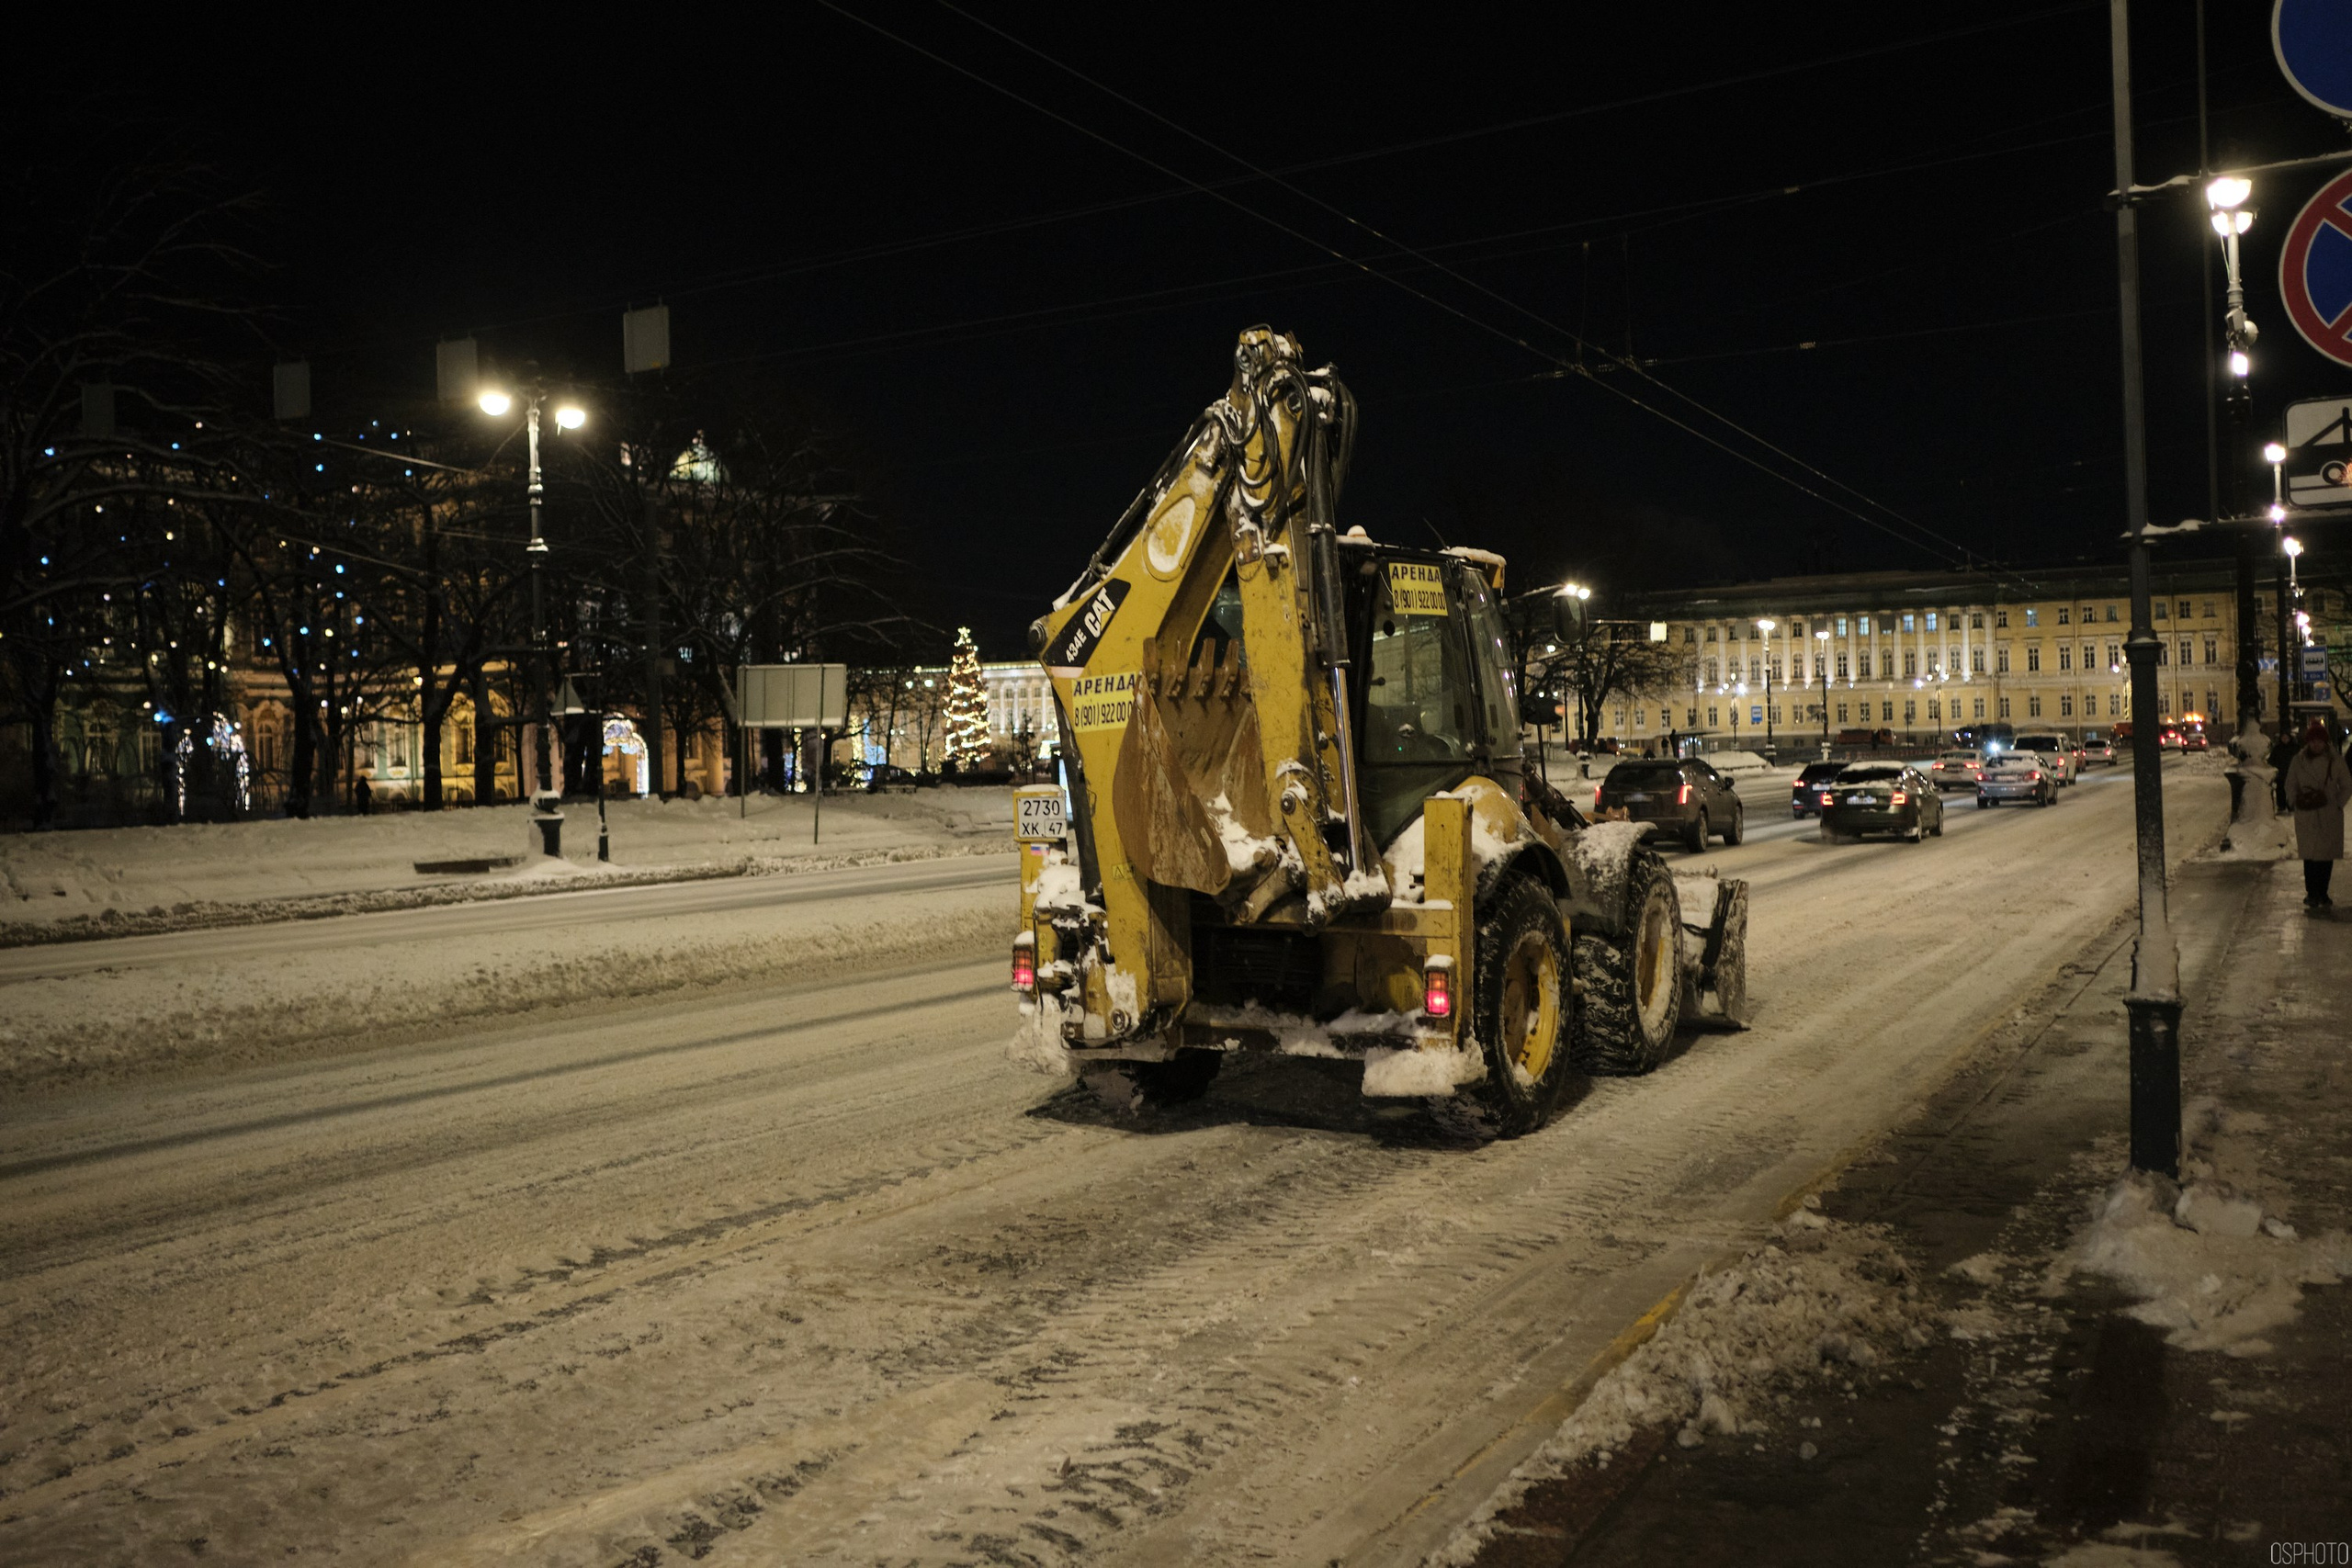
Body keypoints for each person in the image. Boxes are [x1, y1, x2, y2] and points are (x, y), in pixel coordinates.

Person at [2282, 717, 2352, 908]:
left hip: (2328, 813)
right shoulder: (2298, 761)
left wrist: (2337, 804)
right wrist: (2295, 802)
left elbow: (2347, 784)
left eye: (2319, 741)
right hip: (2307, 813)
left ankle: (2323, 892)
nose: (2316, 744)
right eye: (2312, 741)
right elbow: (2290, 784)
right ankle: (2312, 893)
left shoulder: (2335, 760)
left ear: (2325, 742)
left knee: (2326, 856)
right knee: (2310, 856)